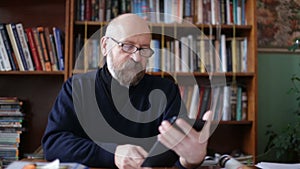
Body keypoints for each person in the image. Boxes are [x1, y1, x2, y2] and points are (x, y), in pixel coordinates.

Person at [42, 13, 210, 169]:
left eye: (144, 49)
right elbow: (54, 144)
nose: (137, 58)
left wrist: (190, 160)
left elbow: (175, 157)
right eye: (127, 46)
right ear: (105, 45)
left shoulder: (166, 90)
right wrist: (112, 154)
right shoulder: (77, 87)